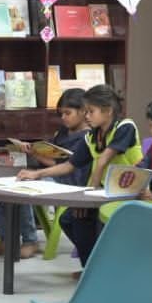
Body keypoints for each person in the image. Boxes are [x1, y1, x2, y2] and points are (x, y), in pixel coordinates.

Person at [18, 85, 137, 269]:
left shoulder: (125, 127)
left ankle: (102, 269)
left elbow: (103, 161)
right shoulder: (92, 136)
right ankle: (90, 269)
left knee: (88, 217)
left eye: (91, 111)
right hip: (104, 191)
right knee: (69, 218)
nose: (87, 116)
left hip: (129, 190)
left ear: (108, 111)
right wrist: (37, 174)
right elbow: (69, 165)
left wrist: (90, 200)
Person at [0, 88, 87, 259]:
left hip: (68, 181)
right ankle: (6, 237)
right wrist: (32, 150)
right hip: (48, 174)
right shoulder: (64, 131)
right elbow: (51, 153)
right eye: (61, 114)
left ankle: (30, 240)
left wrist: (36, 162)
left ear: (83, 111)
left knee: (23, 188)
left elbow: (61, 165)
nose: (63, 118)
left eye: (68, 113)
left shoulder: (86, 137)